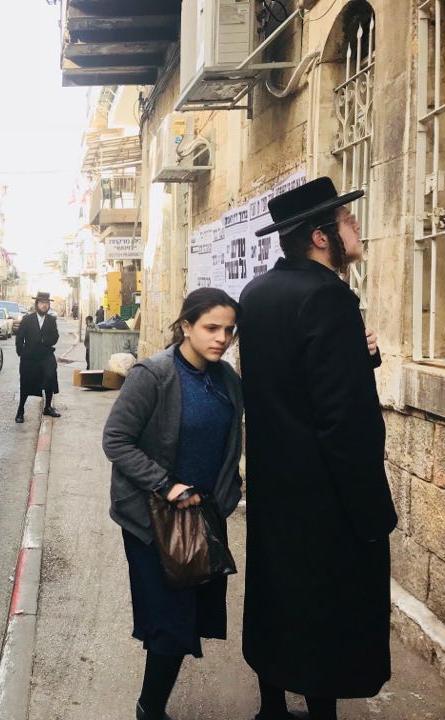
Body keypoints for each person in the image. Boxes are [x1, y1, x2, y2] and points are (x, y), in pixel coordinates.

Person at [237, 177, 396, 720]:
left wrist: (358, 356)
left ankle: (271, 707)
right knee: (323, 604)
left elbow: (286, 379)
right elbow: (343, 421)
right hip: (324, 493)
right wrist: (370, 509)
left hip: (273, 483)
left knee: (276, 594)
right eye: (347, 221)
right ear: (321, 237)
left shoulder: (257, 293)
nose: (356, 227)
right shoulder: (329, 297)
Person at [103, 288, 244, 720]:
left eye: (229, 330)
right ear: (185, 326)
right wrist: (166, 485)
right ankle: (150, 709)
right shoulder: (154, 374)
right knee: (171, 621)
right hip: (154, 519)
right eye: (211, 328)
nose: (221, 338)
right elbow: (116, 440)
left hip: (204, 517)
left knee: (186, 618)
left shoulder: (227, 379)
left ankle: (151, 705)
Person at [14, 291, 61, 423]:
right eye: (42, 303)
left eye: (46, 303)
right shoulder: (27, 319)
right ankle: (20, 410)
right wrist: (21, 353)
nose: (44, 305)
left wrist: (45, 340)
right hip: (30, 357)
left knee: (50, 376)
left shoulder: (51, 320)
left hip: (46, 355)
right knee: (26, 383)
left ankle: (48, 407)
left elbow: (55, 337)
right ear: (36, 304)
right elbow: (19, 338)